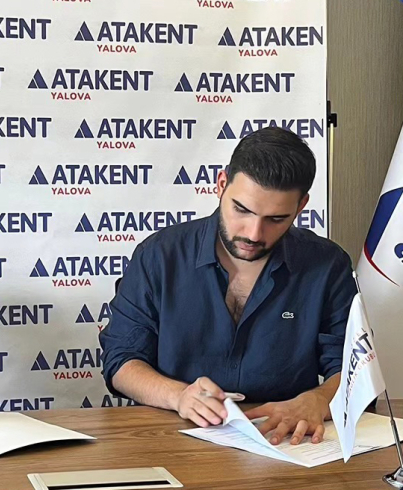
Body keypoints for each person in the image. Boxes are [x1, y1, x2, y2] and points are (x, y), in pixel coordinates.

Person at [100, 127, 355, 446]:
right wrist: (179, 396)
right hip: (171, 435)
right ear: (221, 185)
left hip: (286, 441)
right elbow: (121, 360)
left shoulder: (327, 265)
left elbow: (352, 368)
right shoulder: (160, 255)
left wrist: (318, 398)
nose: (254, 233)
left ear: (301, 206)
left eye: (276, 219)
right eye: (242, 210)